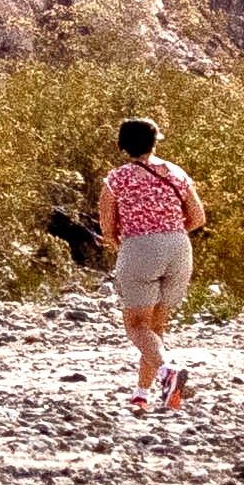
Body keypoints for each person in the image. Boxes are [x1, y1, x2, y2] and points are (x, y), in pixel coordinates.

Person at [100, 116, 204, 409]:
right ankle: (142, 394)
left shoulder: (117, 178)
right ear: (155, 140)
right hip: (179, 247)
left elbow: (107, 226)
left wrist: (124, 244)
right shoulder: (176, 174)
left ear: (122, 145)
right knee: (155, 327)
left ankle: (168, 370)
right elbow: (198, 217)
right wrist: (169, 228)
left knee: (135, 325)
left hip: (140, 247)